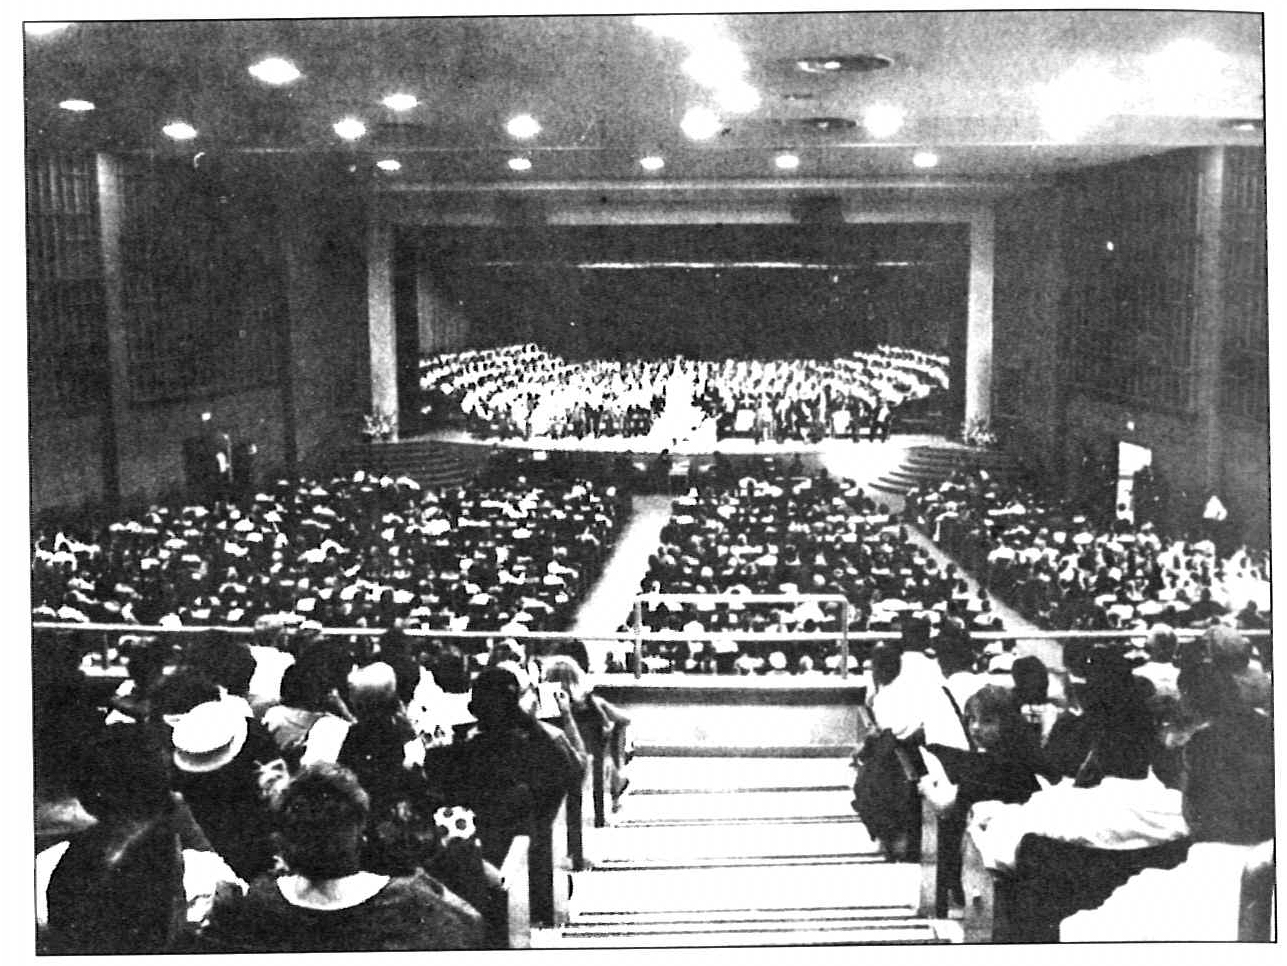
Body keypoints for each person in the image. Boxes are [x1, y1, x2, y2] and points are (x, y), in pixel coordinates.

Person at [201, 763, 484, 951]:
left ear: (285, 840)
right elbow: (473, 929)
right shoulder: (413, 898)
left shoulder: (261, 899)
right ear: (360, 827)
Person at [436, 665, 586, 865]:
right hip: (535, 835)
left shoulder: (465, 751)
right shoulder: (546, 739)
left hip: (485, 845)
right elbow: (576, 772)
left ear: (474, 709)